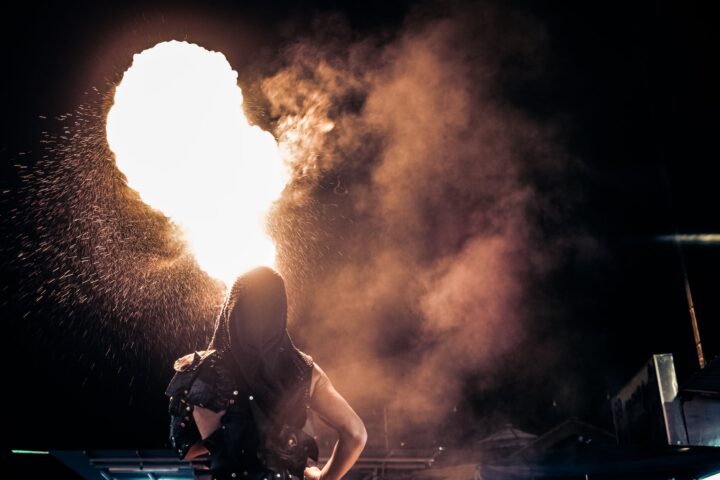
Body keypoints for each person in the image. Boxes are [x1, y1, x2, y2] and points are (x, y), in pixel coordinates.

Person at [166, 266, 367, 480]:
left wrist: (223, 438)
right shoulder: (305, 370)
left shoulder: (199, 369)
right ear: (280, 311)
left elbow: (184, 448)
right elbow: (355, 434)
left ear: (232, 310)